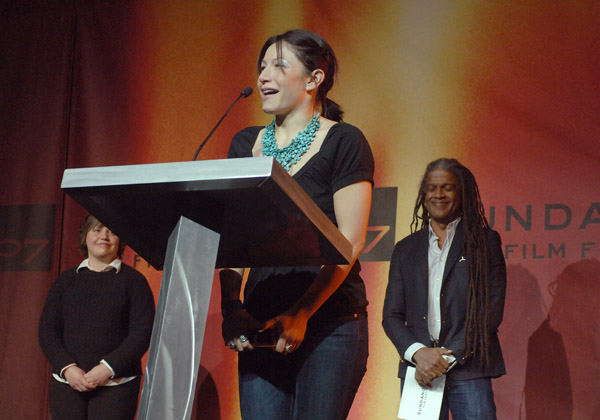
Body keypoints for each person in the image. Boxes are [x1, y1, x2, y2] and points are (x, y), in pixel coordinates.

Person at [220, 29, 374, 420]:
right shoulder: (244, 144)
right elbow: (233, 240)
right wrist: (231, 307)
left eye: (279, 65)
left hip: (330, 322)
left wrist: (303, 311)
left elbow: (351, 241)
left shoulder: (344, 142)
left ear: (313, 79)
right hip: (258, 322)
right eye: (262, 66)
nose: (263, 77)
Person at [382, 158, 506, 420]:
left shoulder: (484, 242)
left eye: (447, 188)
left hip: (468, 369)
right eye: (431, 188)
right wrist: (419, 354)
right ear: (423, 194)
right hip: (419, 371)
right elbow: (391, 315)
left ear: (462, 193)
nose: (438, 194)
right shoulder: (405, 249)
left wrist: (442, 360)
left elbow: (490, 314)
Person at [38, 214, 155, 420]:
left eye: (111, 231)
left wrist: (107, 368)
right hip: (68, 383)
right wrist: (68, 368)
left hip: (117, 385)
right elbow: (48, 331)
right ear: (85, 237)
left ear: (120, 241)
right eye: (97, 230)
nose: (105, 236)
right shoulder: (65, 281)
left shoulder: (134, 282)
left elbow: (142, 333)